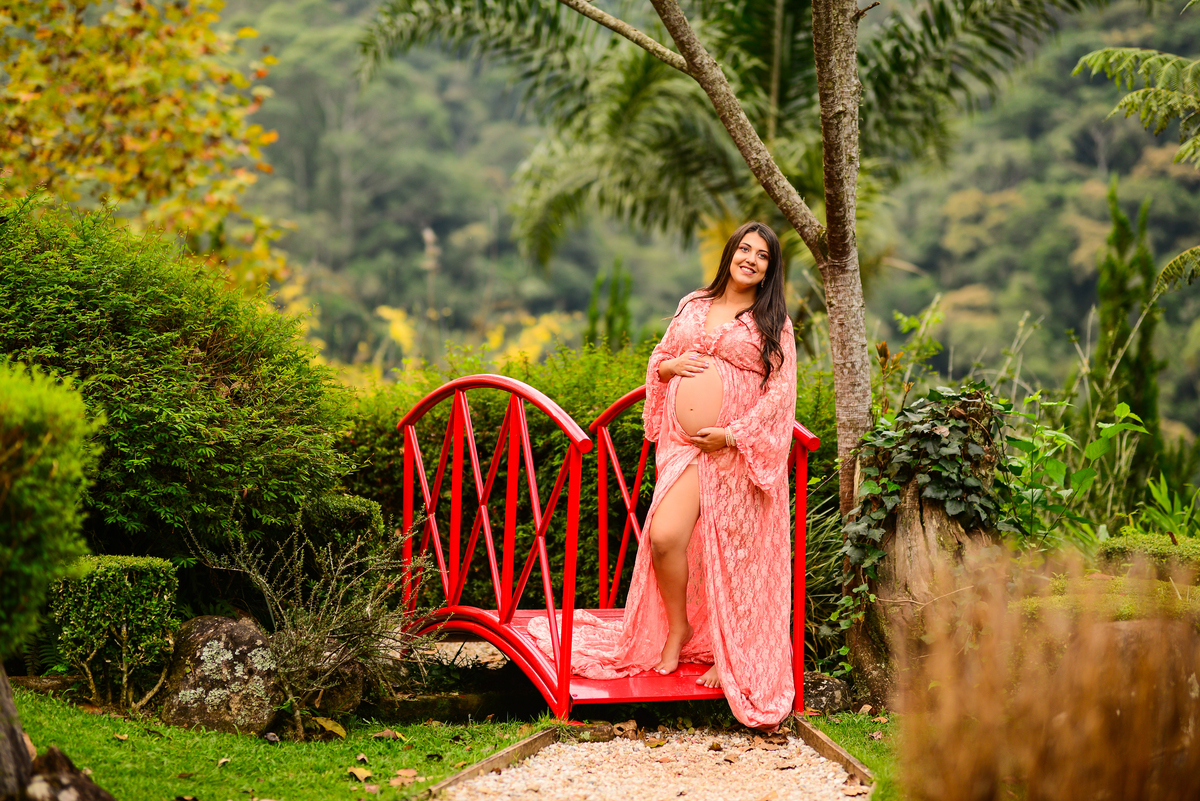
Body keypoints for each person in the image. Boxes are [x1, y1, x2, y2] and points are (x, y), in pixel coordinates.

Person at [531, 221, 798, 729]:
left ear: (770, 269)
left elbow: (781, 395)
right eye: (745, 249)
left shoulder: (774, 322)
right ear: (730, 253)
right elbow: (660, 357)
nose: (751, 259)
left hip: (735, 450)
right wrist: (672, 369)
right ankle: (678, 628)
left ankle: (730, 654)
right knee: (664, 536)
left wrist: (735, 434)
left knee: (737, 556)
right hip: (686, 447)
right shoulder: (694, 304)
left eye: (762, 255)